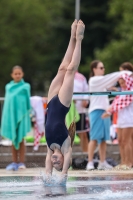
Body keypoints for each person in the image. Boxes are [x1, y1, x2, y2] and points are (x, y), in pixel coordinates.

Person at [45, 20, 85, 178]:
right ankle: (79, 39)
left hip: (50, 102)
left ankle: (71, 37)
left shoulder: (49, 148)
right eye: (59, 163)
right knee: (70, 70)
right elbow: (67, 159)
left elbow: (47, 165)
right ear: (65, 160)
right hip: (61, 105)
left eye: (53, 163)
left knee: (62, 68)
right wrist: (64, 173)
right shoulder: (66, 144)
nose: (54, 161)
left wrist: (48, 174)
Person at [86, 60, 132, 170]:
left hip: (106, 111)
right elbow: (109, 79)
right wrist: (123, 73)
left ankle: (103, 161)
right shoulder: (94, 80)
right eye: (101, 68)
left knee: (103, 139)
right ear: (94, 69)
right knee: (94, 138)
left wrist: (114, 88)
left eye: (103, 68)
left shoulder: (102, 82)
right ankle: (90, 162)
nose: (103, 69)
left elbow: (110, 83)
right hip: (97, 111)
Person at [1, 66, 31, 170]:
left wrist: (28, 114)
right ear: (12, 75)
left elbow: (27, 102)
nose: (17, 75)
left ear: (22, 74)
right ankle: (14, 162)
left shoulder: (26, 86)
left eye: (19, 73)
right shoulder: (8, 87)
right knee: (13, 140)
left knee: (21, 139)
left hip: (21, 116)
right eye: (15, 74)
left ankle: (22, 162)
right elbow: (8, 104)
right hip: (11, 117)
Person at [102, 68, 133, 169]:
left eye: (123, 82)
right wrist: (109, 111)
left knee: (126, 141)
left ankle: (129, 162)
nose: (122, 85)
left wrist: (110, 112)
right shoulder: (122, 93)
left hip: (129, 120)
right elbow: (116, 104)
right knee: (120, 140)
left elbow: (120, 104)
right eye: (120, 83)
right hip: (121, 120)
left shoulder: (130, 92)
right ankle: (124, 162)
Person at [73, 71, 89, 152]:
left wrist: (85, 99)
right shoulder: (61, 75)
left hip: (80, 109)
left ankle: (86, 155)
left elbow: (86, 90)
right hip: (66, 111)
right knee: (65, 134)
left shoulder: (81, 77)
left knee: (83, 133)